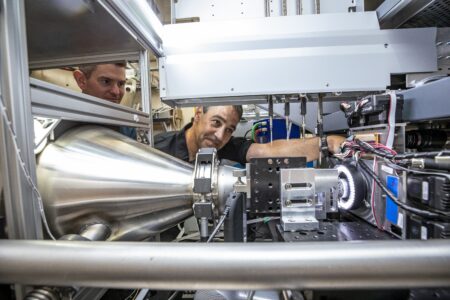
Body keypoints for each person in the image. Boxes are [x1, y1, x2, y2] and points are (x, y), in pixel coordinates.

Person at [154, 105, 345, 164]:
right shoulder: (157, 149)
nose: (220, 136)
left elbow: (269, 150)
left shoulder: (222, 147)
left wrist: (326, 143)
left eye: (229, 130)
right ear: (197, 115)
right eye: (216, 122)